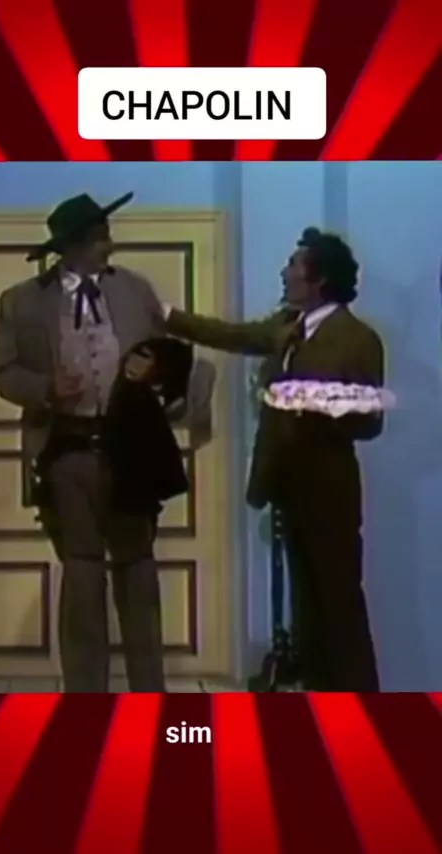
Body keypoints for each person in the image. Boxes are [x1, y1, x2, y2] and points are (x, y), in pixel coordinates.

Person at [0, 192, 215, 693]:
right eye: (99, 237)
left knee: (138, 572)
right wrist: (46, 388)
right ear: (74, 245)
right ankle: (86, 698)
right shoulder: (22, 301)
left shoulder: (134, 289)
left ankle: (149, 693)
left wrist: (159, 377)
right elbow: (2, 371)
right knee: (83, 577)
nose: (109, 244)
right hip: (67, 452)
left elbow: (172, 356)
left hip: (131, 452)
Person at [162, 227, 384, 691]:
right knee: (305, 604)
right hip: (288, 484)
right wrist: (167, 317)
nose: (284, 272)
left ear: (318, 280)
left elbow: (369, 420)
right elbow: (233, 335)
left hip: (329, 488)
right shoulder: (287, 327)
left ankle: (362, 705)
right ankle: (319, 697)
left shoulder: (357, 338)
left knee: (339, 601)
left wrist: (310, 402)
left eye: (294, 265)